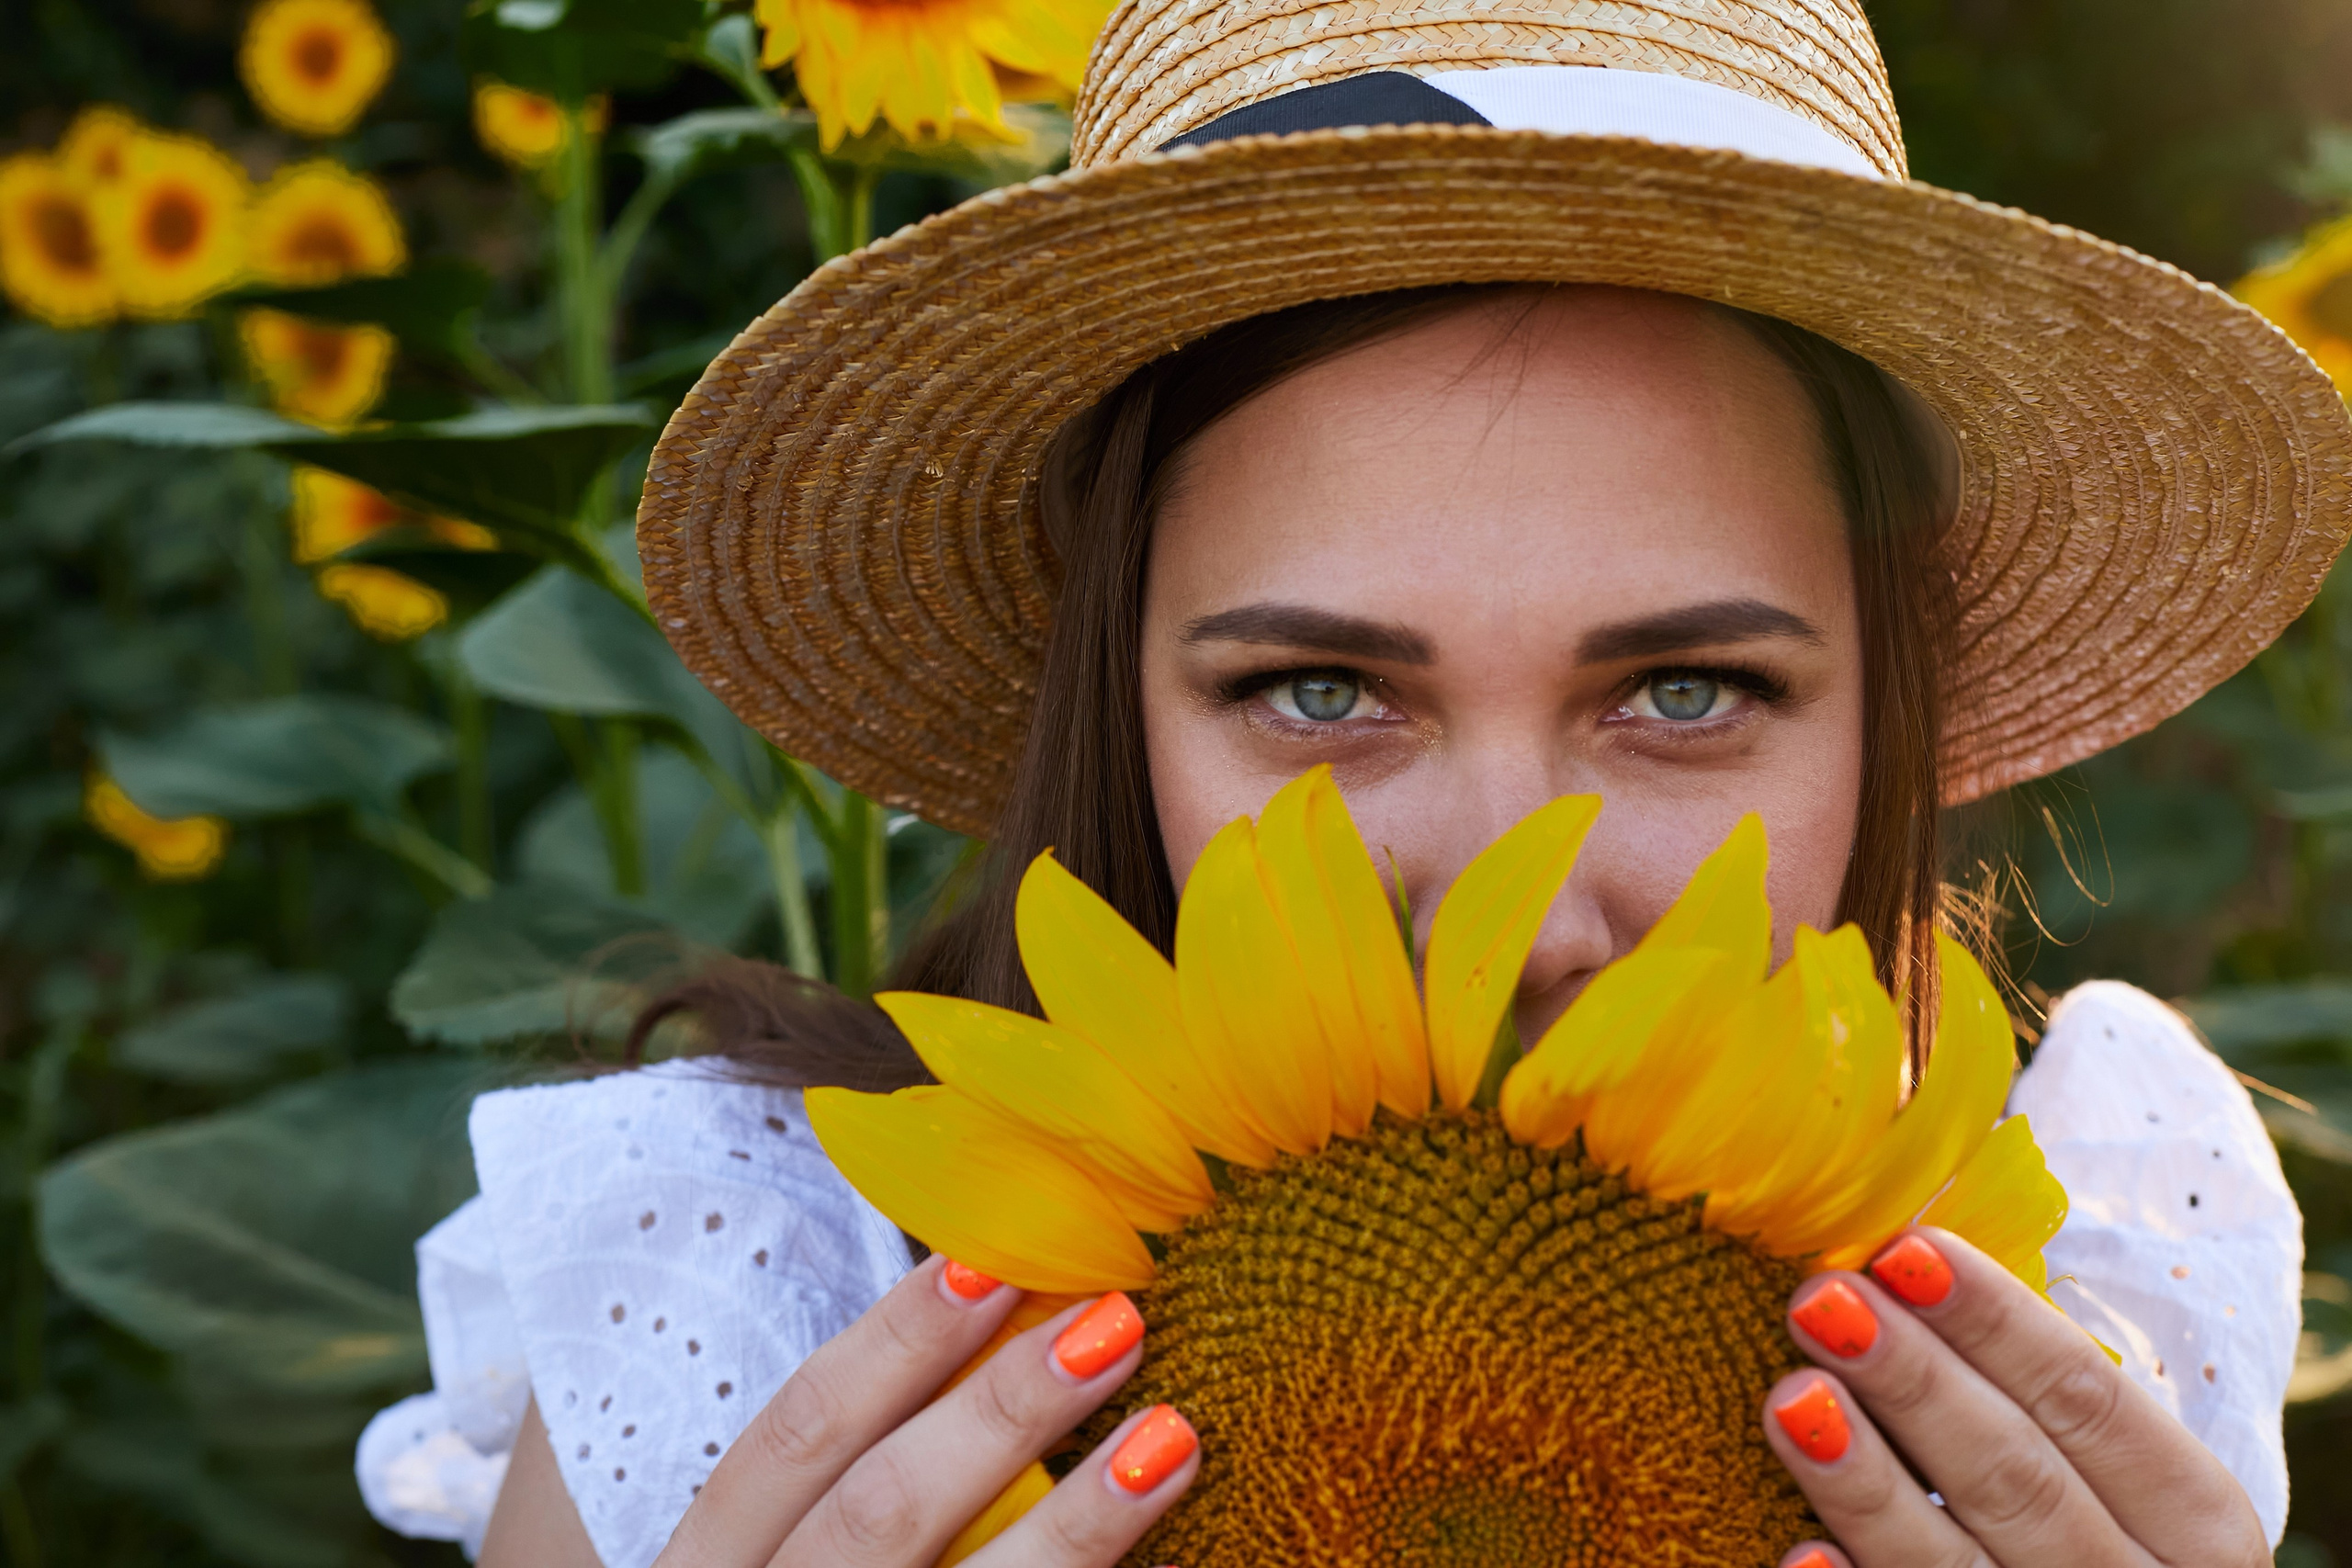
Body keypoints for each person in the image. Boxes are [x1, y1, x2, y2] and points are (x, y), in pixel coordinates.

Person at [355, 1, 2338, 1564]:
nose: (1509, 911)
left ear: (1884, 709)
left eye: (1684, 691)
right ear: (1113, 690)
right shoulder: (750, 1312)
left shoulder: (2080, 1316)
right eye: (1319, 690)